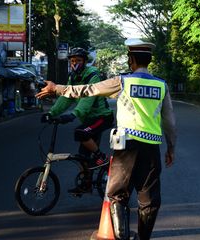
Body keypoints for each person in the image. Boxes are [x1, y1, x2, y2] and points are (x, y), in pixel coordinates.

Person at [36, 38, 176, 240]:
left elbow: (87, 90)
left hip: (126, 145)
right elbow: (170, 122)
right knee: (149, 200)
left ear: (132, 60)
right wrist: (171, 148)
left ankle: (121, 236)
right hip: (152, 148)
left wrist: (55, 88)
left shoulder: (123, 81)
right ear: (149, 60)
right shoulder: (161, 85)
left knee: (117, 195)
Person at [41, 47, 114, 194]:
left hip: (102, 117)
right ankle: (86, 184)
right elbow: (66, 97)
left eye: (78, 60)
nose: (75, 63)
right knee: (83, 157)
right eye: (72, 61)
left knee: (80, 132)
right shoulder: (73, 77)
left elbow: (88, 99)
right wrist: (52, 113)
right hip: (89, 119)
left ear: (85, 61)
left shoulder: (93, 75)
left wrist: (73, 115)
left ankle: (102, 157)